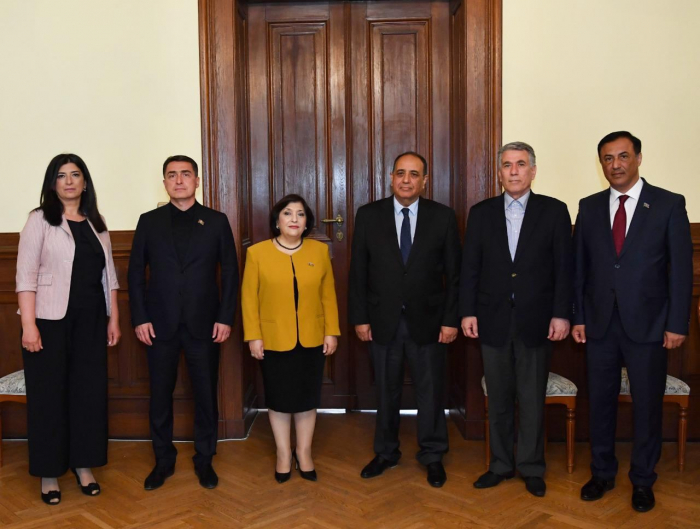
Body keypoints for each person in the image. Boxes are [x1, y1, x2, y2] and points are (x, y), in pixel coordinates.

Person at [573, 131, 693, 512]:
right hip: (600, 324)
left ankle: (643, 480)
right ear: (601, 164)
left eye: (623, 156)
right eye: (608, 159)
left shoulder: (669, 204)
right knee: (601, 404)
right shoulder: (589, 206)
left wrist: (677, 323)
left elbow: (681, 271)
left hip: (651, 326)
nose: (616, 165)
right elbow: (580, 270)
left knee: (646, 406)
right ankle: (602, 473)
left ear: (639, 158)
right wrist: (578, 317)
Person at [459, 141, 572, 497]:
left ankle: (531, 467)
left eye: (520, 164)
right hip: (492, 319)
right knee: (500, 397)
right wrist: (467, 311)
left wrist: (561, 314)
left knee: (531, 397)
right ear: (499, 172)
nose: (513, 171)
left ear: (533, 171)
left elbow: (564, 270)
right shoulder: (481, 212)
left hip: (537, 319)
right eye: (507, 165)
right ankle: (500, 464)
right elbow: (470, 269)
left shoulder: (554, 211)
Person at [348, 151, 461, 488]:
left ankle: (433, 454)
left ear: (425, 180)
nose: (407, 179)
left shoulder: (443, 217)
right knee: (386, 391)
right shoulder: (369, 215)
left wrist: (450, 320)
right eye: (401, 173)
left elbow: (454, 275)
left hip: (429, 322)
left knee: (430, 392)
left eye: (414, 174)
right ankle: (386, 452)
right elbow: (358, 273)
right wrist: (360, 318)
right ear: (391, 177)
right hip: (382, 320)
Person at [128, 155, 238, 490]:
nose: (179, 180)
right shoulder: (149, 222)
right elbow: (134, 274)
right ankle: (163, 460)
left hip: (204, 325)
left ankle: (205, 459)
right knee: (159, 395)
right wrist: (140, 317)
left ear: (197, 180)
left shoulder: (216, 221)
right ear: (164, 182)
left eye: (185, 174)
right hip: (158, 326)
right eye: (172, 175)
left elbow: (231, 274)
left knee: (205, 395)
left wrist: (225, 317)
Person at [16, 153, 121, 505]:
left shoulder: (96, 222)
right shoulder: (39, 220)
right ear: (52, 183)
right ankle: (49, 472)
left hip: (91, 322)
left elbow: (110, 277)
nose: (69, 181)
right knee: (49, 397)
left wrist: (114, 317)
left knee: (88, 395)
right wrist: (28, 326)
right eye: (61, 176)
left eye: (75, 175)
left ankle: (84, 465)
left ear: (85, 182)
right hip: (48, 321)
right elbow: (25, 275)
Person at [241, 194, 340, 483]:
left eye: (300, 214)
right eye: (287, 213)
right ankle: (284, 454)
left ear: (307, 221)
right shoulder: (257, 253)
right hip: (273, 339)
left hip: (311, 338)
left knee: (307, 399)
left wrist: (331, 331)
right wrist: (253, 337)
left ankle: (304, 452)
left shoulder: (318, 252)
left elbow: (328, 295)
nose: (294, 219)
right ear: (277, 220)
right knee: (280, 399)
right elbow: (249, 300)